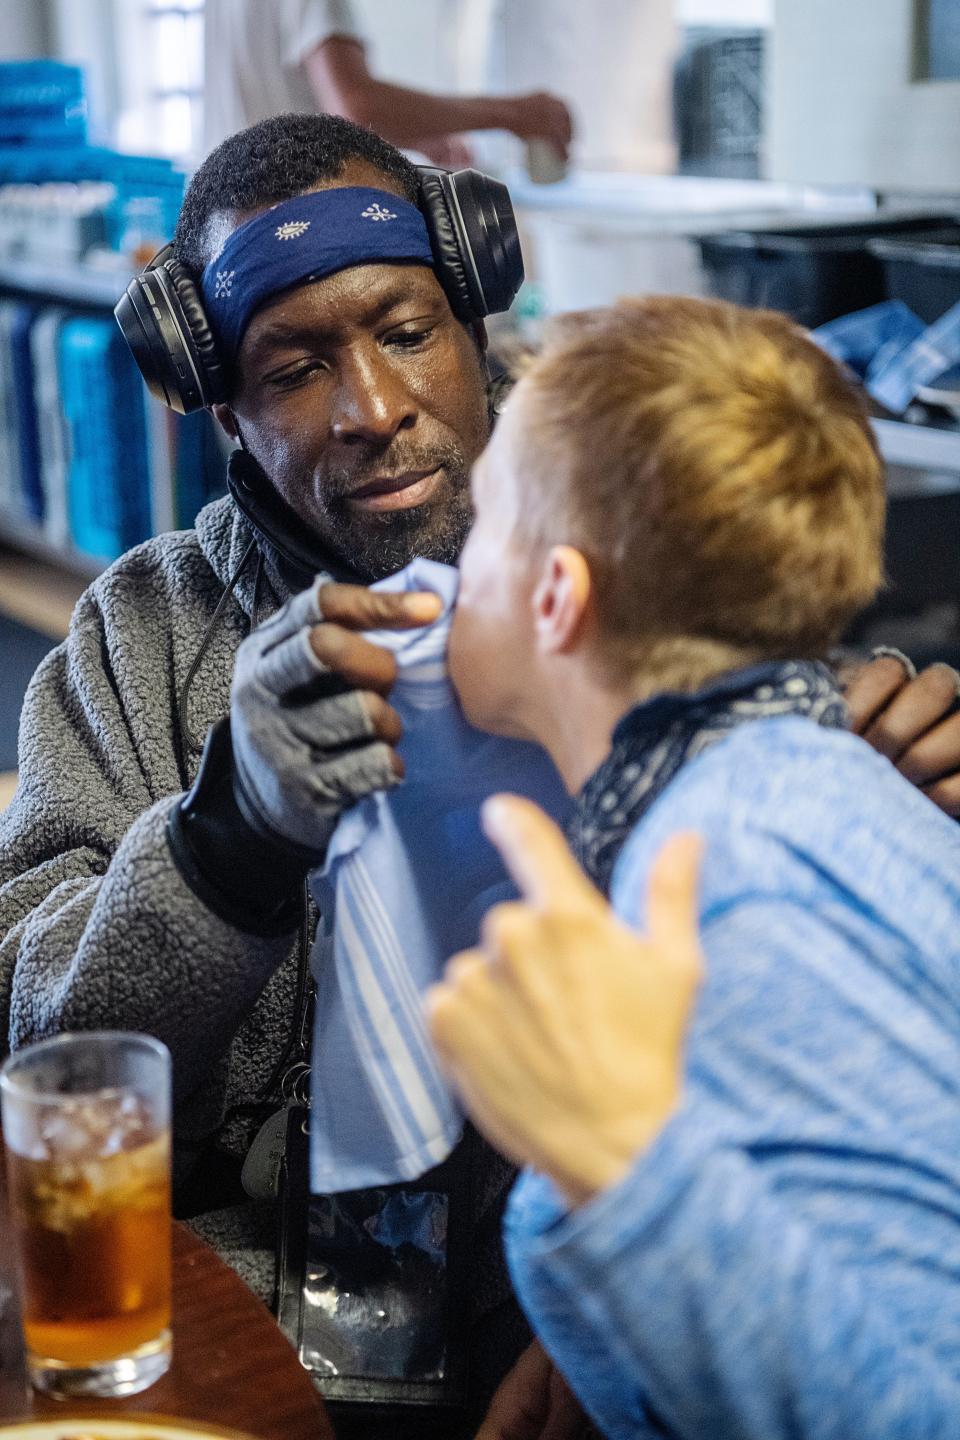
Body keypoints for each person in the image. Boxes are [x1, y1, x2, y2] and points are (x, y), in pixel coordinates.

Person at [0, 113, 956, 1432]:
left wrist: (880, 778)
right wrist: (226, 845)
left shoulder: (635, 553)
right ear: (217, 398)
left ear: (471, 313)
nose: (375, 411)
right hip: (252, 1310)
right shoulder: (143, 636)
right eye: (293, 368)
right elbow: (48, 1073)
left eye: (404, 333)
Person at [425, 296, 960, 1438]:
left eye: (478, 525)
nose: (449, 568)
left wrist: (629, 1181)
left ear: (555, 596)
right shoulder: (772, 795)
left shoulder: (741, 874)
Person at [203, 0, 573, 170]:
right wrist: (514, 114)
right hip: (285, 235)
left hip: (231, 231)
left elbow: (274, 102)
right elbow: (356, 107)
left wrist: (415, 135)